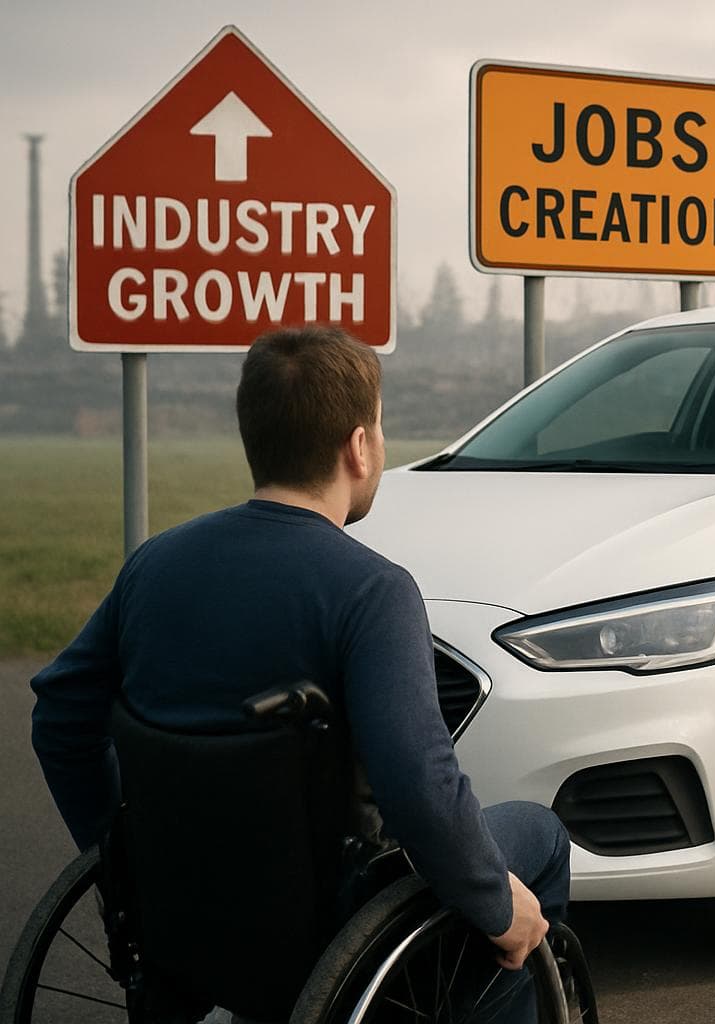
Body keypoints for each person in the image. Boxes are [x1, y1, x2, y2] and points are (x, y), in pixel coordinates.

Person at [30, 325, 569, 1022]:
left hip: (179, 912)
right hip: (325, 929)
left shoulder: (153, 567)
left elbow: (60, 721)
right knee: (541, 838)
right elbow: (419, 786)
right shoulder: (371, 592)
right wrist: (499, 906)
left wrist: (123, 857)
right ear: (359, 446)